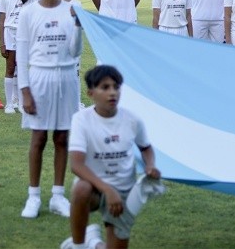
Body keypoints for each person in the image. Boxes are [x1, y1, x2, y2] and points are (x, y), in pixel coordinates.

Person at [60, 65, 164, 249]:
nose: (112, 93)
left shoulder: (132, 120)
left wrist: (150, 165)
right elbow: (76, 165)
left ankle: (93, 242)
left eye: (116, 87)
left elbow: (146, 147)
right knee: (81, 188)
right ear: (91, 93)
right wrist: (107, 190)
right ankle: (78, 245)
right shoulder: (81, 119)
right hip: (94, 189)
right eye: (105, 87)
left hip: (124, 191)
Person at [16, 0, 83, 219]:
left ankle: (57, 195)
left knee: (63, 138)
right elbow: (22, 54)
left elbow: (76, 52)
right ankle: (33, 196)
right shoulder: (28, 13)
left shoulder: (73, 9)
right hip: (39, 77)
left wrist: (78, 25)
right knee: (39, 138)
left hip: (67, 77)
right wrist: (25, 91)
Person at [0, 0, 31, 114]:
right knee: (10, 68)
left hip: (24, 35)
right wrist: (2, 43)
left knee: (22, 68)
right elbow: (2, 21)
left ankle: (21, 102)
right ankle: (9, 103)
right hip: (10, 34)